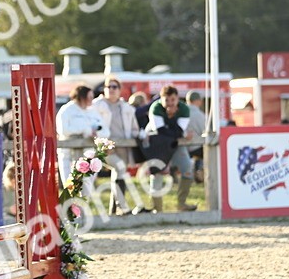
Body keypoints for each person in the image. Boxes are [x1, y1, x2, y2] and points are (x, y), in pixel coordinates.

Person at [144, 85, 195, 212]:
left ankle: (181, 203)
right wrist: (181, 132)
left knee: (187, 168)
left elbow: (177, 131)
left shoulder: (184, 109)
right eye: (166, 100)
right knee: (157, 172)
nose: (170, 103)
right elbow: (161, 131)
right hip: (157, 144)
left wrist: (177, 130)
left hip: (175, 144)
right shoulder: (155, 108)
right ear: (161, 99)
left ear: (178, 99)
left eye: (173, 100)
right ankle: (157, 208)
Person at [93, 75, 138, 215]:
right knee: (119, 168)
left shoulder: (127, 108)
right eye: (108, 87)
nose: (111, 89)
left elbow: (134, 128)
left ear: (120, 89)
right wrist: (103, 144)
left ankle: (114, 211)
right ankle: (121, 205)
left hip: (123, 146)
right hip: (105, 147)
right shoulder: (96, 105)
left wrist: (140, 136)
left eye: (114, 87)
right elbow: (93, 127)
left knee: (120, 173)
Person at [56, 84, 109, 189]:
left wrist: (96, 134)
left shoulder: (93, 111)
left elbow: (105, 130)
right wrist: (85, 130)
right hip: (69, 154)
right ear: (81, 96)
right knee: (71, 187)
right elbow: (63, 130)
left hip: (89, 154)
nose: (91, 100)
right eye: (89, 97)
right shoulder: (67, 110)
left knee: (87, 189)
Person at [185, 90, 208, 184]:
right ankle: (200, 176)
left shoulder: (181, 113)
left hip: (183, 147)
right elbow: (206, 131)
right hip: (196, 147)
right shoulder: (200, 115)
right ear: (197, 101)